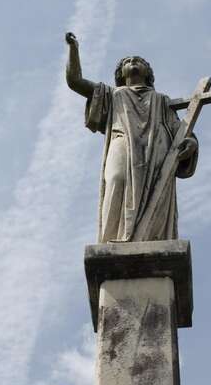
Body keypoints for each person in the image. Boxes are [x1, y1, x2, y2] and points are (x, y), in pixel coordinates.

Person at [65, 32, 198, 243]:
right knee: (116, 179)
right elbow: (75, 81)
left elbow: (179, 129)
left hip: (156, 147)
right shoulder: (112, 94)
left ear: (148, 71)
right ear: (121, 72)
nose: (133, 62)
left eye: (138, 60)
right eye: (127, 61)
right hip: (123, 141)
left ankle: (152, 237)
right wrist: (74, 49)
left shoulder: (160, 99)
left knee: (157, 190)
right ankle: (112, 238)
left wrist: (190, 143)